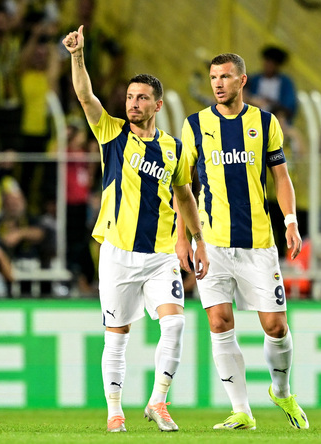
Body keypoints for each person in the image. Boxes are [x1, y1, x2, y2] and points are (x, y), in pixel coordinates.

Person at [62, 25, 209, 433]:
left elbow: (185, 197)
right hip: (118, 253)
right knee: (117, 336)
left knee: (175, 323)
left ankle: (158, 401)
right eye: (129, 97)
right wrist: (78, 56)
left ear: (157, 104)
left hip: (161, 255)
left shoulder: (174, 149)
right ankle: (115, 411)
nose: (133, 103)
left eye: (142, 97)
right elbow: (86, 97)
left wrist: (197, 240)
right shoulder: (111, 133)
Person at [176, 53, 309, 430]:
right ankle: (241, 411)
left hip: (258, 243)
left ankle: (281, 391)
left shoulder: (265, 123)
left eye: (225, 76)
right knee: (219, 322)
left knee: (276, 327)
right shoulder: (195, 125)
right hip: (211, 243)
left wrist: (290, 221)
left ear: (242, 80)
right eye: (213, 77)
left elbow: (281, 177)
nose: (218, 83)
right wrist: (182, 237)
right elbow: (183, 186)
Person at [246, 45, 298, 123]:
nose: (269, 65)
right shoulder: (254, 80)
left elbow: (289, 103)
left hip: (276, 116)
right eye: (267, 62)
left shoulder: (285, 82)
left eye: (272, 63)